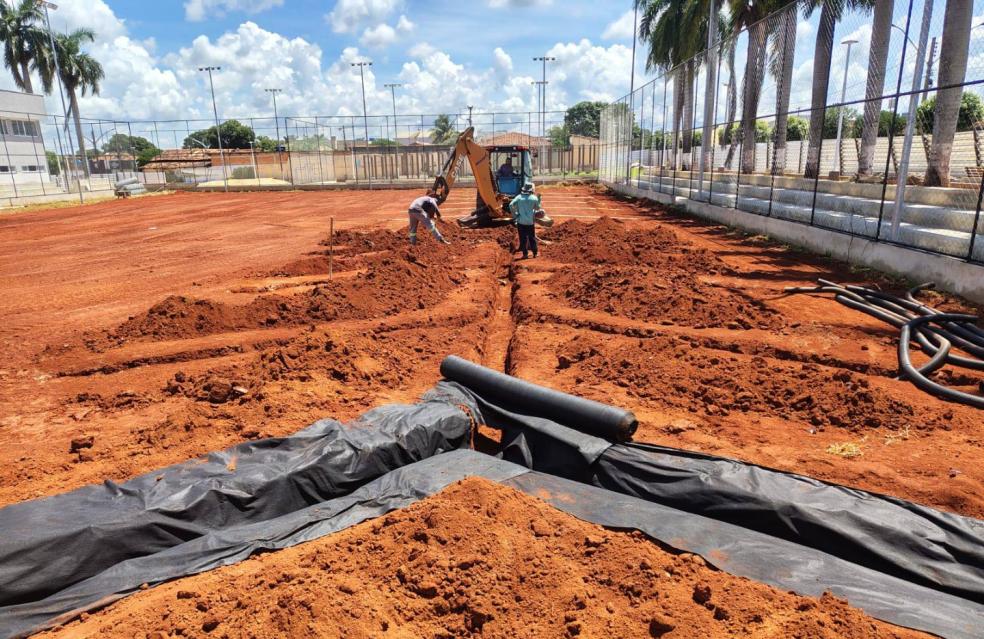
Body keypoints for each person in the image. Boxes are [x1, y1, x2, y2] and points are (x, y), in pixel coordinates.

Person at [509, 183, 541, 259]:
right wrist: (539, 199)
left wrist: (515, 215)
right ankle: (535, 253)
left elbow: (510, 205)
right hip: (530, 222)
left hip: (521, 222)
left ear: (524, 189)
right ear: (531, 190)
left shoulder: (519, 197)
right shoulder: (534, 198)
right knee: (532, 238)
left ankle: (525, 254)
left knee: (523, 238)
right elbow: (537, 208)